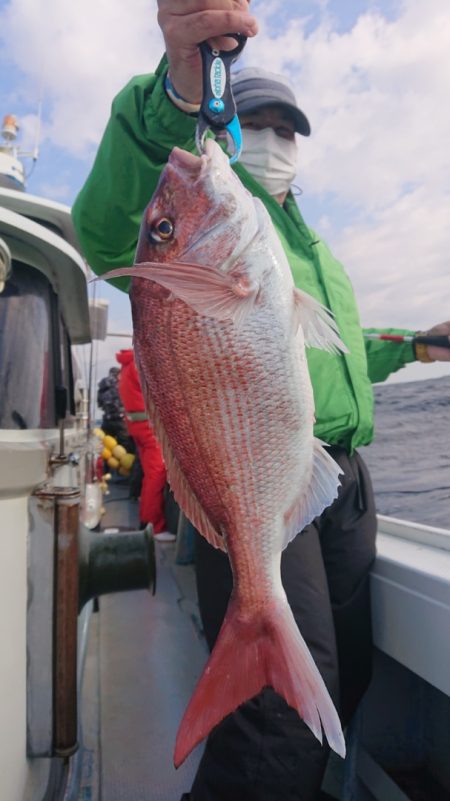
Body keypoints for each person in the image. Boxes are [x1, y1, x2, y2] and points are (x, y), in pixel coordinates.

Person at [72, 4, 450, 799]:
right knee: (276, 727)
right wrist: (178, 89)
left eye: (289, 124)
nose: (277, 134)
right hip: (254, 475)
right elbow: (108, 236)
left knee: (341, 680)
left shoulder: (305, 245)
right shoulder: (214, 213)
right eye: (263, 118)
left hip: (340, 484)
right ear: (231, 126)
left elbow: (341, 346)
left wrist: (417, 346)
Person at [116, 348, 175, 542]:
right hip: (149, 428)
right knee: (157, 474)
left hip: (137, 426)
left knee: (149, 473)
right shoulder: (140, 362)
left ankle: (145, 519)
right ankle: (154, 526)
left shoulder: (127, 364)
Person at [96, 365, 129, 445]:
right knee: (125, 447)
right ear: (118, 374)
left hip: (107, 421)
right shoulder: (121, 384)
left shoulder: (102, 387)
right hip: (120, 421)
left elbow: (100, 404)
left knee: (107, 447)